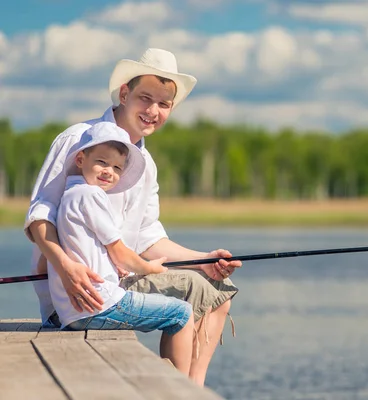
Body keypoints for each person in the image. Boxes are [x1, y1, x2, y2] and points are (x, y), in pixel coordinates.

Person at [24, 48, 241, 386]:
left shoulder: (145, 165)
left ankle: (193, 388)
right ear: (124, 93)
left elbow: (148, 238)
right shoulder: (77, 140)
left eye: (164, 104)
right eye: (145, 98)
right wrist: (65, 267)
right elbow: (40, 216)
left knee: (217, 285)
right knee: (193, 299)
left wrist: (204, 260)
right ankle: (181, 390)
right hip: (75, 294)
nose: (153, 111)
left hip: (118, 281)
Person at [52, 121, 195, 376]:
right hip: (100, 305)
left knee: (174, 310)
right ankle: (182, 388)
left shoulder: (70, 194)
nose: (109, 171)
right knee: (181, 313)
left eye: (117, 167)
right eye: (102, 162)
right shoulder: (91, 195)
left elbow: (93, 251)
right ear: (81, 158)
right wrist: (150, 268)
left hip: (71, 312)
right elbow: (119, 251)